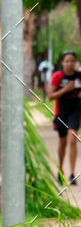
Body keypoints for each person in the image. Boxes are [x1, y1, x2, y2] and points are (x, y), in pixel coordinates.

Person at [48, 51, 81, 186]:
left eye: (72, 61)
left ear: (75, 63)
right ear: (62, 63)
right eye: (67, 61)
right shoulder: (58, 76)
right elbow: (50, 96)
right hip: (61, 113)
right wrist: (67, 89)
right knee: (62, 143)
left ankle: (72, 174)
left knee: (72, 138)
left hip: (76, 112)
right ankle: (60, 169)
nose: (70, 63)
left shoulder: (79, 76)